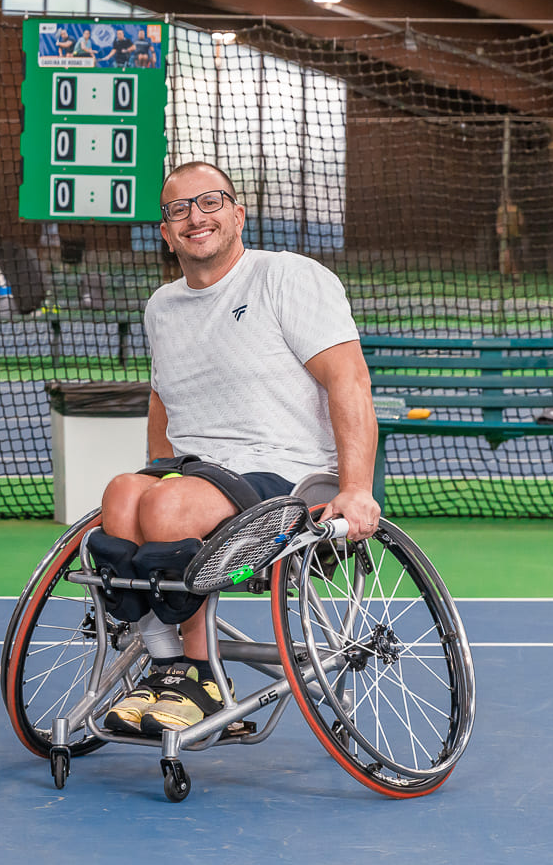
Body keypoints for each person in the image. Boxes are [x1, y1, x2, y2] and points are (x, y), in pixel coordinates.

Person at [92, 161, 379, 738]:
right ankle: (166, 664)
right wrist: (156, 473)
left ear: (238, 214)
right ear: (166, 233)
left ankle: (200, 675)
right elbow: (162, 401)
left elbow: (349, 380)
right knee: (122, 493)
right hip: (198, 474)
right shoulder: (162, 306)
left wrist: (356, 489)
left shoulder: (287, 277)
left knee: (167, 506)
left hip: (287, 476)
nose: (195, 217)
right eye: (179, 210)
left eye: (210, 202)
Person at [495, 194, 524, 284]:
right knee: (506, 255)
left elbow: (521, 222)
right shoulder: (500, 210)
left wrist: (517, 224)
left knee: (513, 256)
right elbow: (498, 224)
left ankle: (515, 276)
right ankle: (508, 274)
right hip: (504, 237)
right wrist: (499, 230)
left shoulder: (516, 209)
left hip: (514, 235)